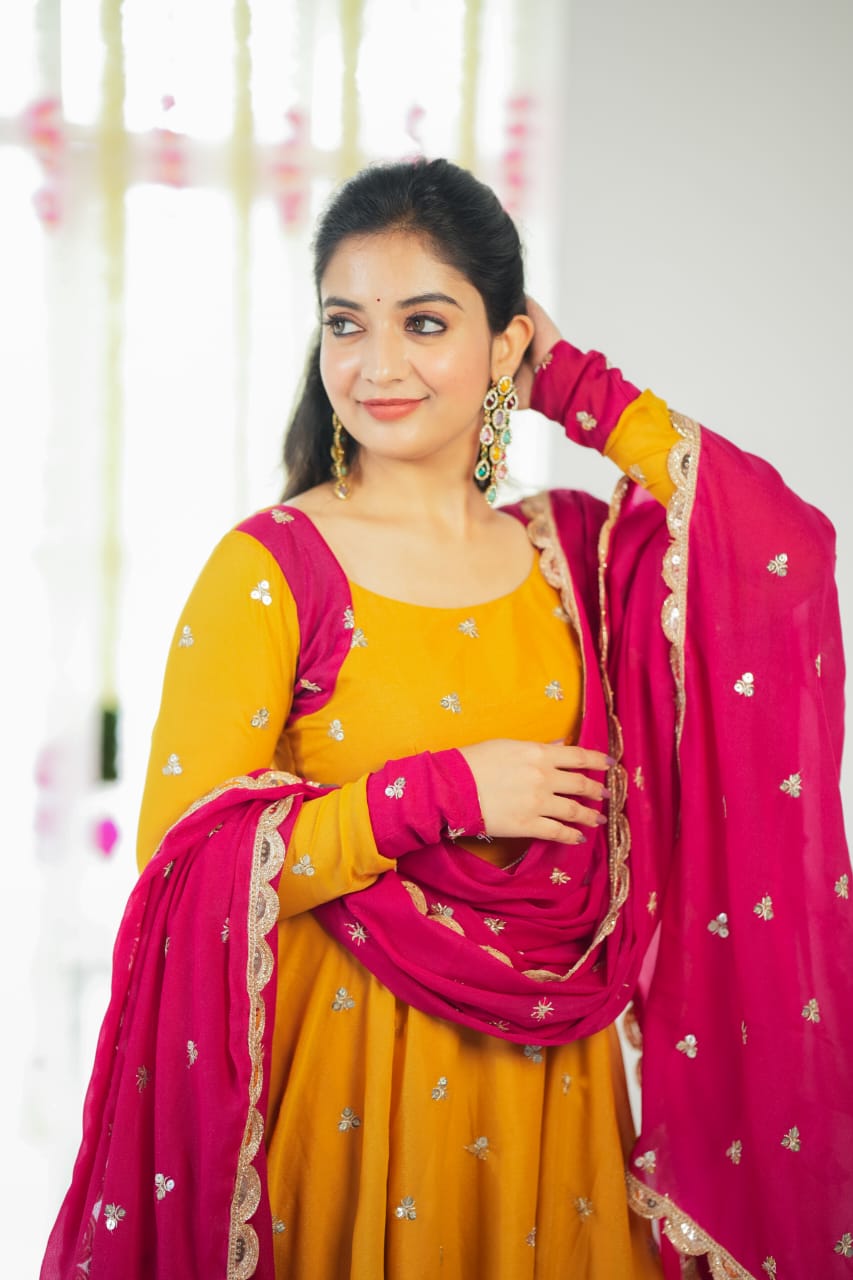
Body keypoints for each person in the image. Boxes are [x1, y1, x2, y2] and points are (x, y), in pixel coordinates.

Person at [42, 159, 853, 1280]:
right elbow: (181, 868)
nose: (376, 365)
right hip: (344, 1099)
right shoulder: (272, 569)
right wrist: (437, 793)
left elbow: (778, 550)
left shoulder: (571, 553)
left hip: (552, 1102)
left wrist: (580, 389)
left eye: (424, 322)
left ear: (504, 343)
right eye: (345, 324)